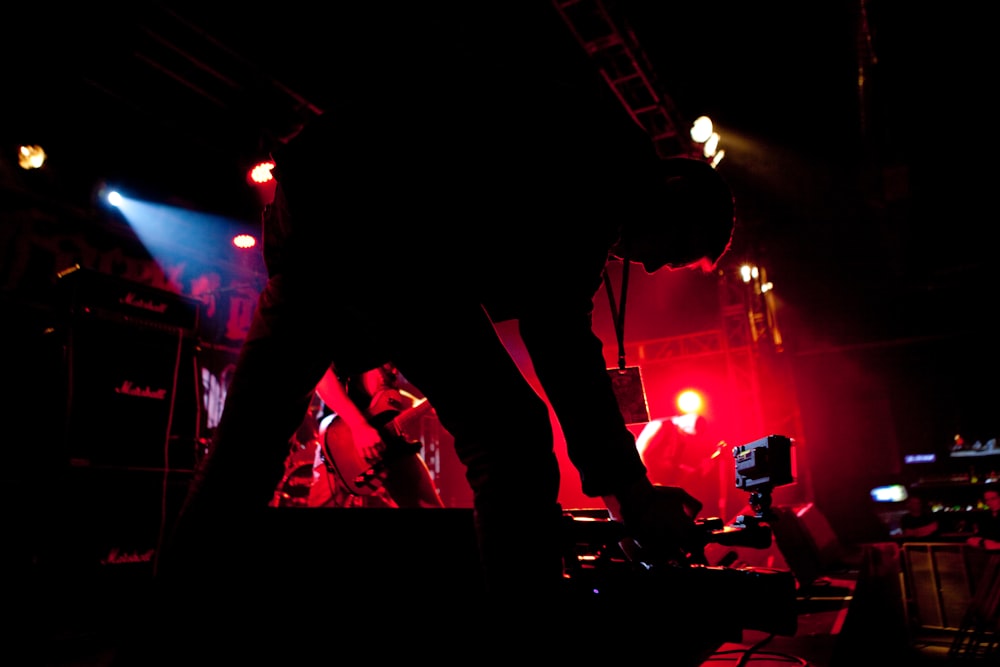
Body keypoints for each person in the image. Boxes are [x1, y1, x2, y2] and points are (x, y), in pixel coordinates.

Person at [139, 7, 734, 656]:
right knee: (512, 435)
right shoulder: (597, 165)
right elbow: (559, 337)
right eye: (674, 247)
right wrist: (632, 492)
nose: (650, 263)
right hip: (382, 225)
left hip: (328, 204)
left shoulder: (593, 159)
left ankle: (163, 640)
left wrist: (624, 488)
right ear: (673, 184)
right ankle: (529, 643)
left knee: (245, 452)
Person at [967, 485, 1000, 551]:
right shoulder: (986, 517)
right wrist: (982, 542)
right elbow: (976, 538)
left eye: (993, 499)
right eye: (987, 500)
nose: (989, 502)